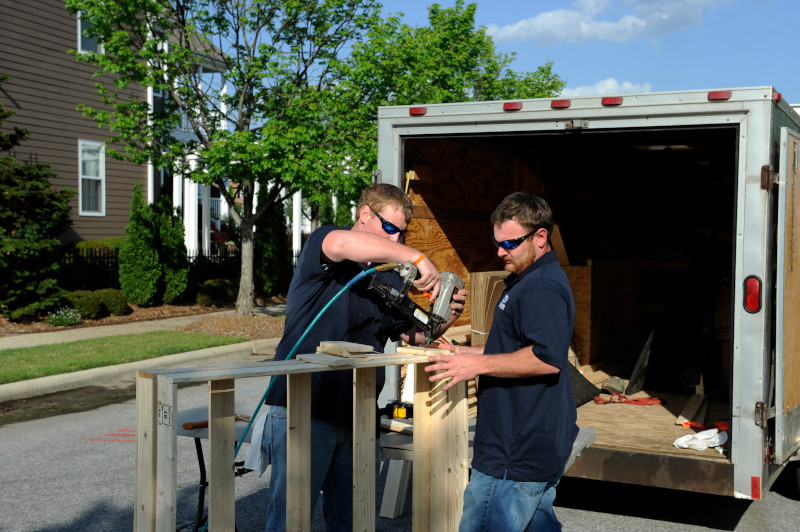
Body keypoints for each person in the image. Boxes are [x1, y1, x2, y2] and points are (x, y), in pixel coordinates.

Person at [260, 183, 467, 532]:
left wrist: (448, 316)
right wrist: (414, 257)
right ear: (365, 214)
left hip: (358, 414)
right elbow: (342, 245)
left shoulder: (386, 278)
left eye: (402, 233)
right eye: (390, 228)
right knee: (290, 522)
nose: (396, 240)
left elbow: (413, 334)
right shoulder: (327, 244)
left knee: (353, 521)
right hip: (305, 409)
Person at [426, 192, 578, 532]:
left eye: (509, 243)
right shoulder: (529, 280)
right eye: (497, 242)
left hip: (515, 451)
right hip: (525, 445)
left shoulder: (541, 287)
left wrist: (477, 367)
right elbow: (515, 347)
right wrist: (467, 355)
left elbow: (546, 358)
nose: (499, 251)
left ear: (540, 238)